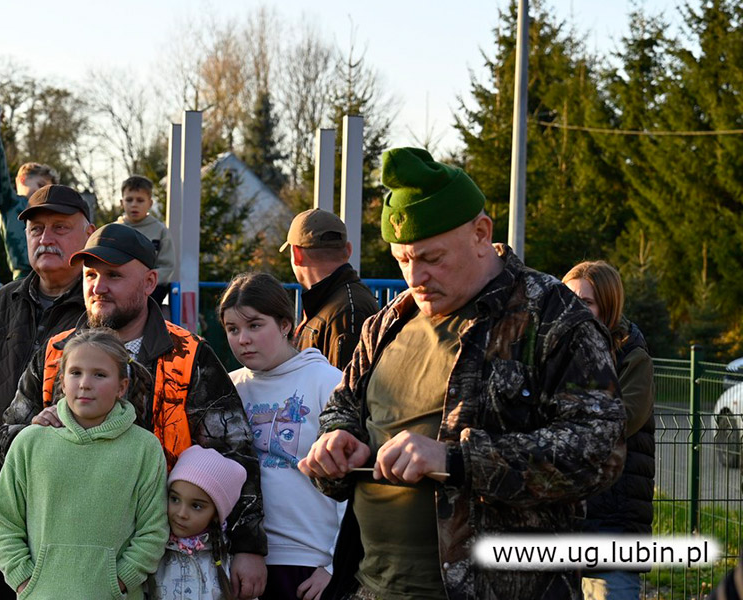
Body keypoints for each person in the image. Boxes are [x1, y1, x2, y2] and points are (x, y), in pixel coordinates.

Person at [298, 147, 627, 600]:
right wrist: (336, 442)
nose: (416, 275)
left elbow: (599, 451)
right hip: (373, 587)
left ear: (480, 233)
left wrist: (455, 460)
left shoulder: (552, 318)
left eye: (432, 257)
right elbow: (342, 407)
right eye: (403, 259)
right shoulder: (387, 324)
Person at [0, 223, 267, 600]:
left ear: (150, 281)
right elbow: (8, 439)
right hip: (68, 574)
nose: (98, 286)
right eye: (90, 274)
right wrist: (30, 430)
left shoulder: (190, 353)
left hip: (177, 560)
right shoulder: (56, 352)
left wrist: (249, 546)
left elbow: (234, 454)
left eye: (114, 275)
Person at [0, 184, 95, 600]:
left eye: (61, 227)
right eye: (37, 229)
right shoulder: (2, 301)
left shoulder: (100, 305)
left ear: (88, 234)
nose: (46, 238)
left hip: (69, 501)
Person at [0, 328, 169, 598]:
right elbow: (3, 522)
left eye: (99, 374)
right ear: (61, 381)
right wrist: (25, 581)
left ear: (122, 387)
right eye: (75, 373)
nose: (85, 383)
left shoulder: (144, 448)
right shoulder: (30, 442)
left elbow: (153, 530)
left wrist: (119, 581)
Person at [220, 272, 345, 600]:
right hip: (243, 561)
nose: (243, 339)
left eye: (255, 325)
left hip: (310, 562)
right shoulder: (229, 388)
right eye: (232, 329)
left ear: (286, 324)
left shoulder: (328, 382)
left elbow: (353, 483)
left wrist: (335, 563)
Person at [563, 260, 655, 600]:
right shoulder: (556, 352)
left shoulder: (632, 356)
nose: (574, 310)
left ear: (608, 306)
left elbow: (623, 419)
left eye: (585, 302)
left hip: (613, 520)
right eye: (568, 299)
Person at [280, 209, 379, 370]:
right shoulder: (347, 302)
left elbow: (343, 391)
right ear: (348, 250)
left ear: (296, 254)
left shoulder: (346, 312)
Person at [150, 445, 247, 600]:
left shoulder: (228, 559)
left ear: (216, 514)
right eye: (175, 499)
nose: (181, 514)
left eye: (196, 506)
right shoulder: (152, 549)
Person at [0, 141, 59, 280]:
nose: (43, 193)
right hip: (23, 276)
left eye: (47, 190)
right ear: (23, 180)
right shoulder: (12, 204)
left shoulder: (47, 212)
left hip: (48, 275)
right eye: (40, 186)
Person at [115, 175, 175, 304]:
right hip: (118, 286)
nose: (134, 205)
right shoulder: (113, 230)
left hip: (150, 289)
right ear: (121, 202)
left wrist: (143, 281)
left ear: (150, 203)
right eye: (129, 200)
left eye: (140, 200)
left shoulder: (160, 231)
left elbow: (167, 267)